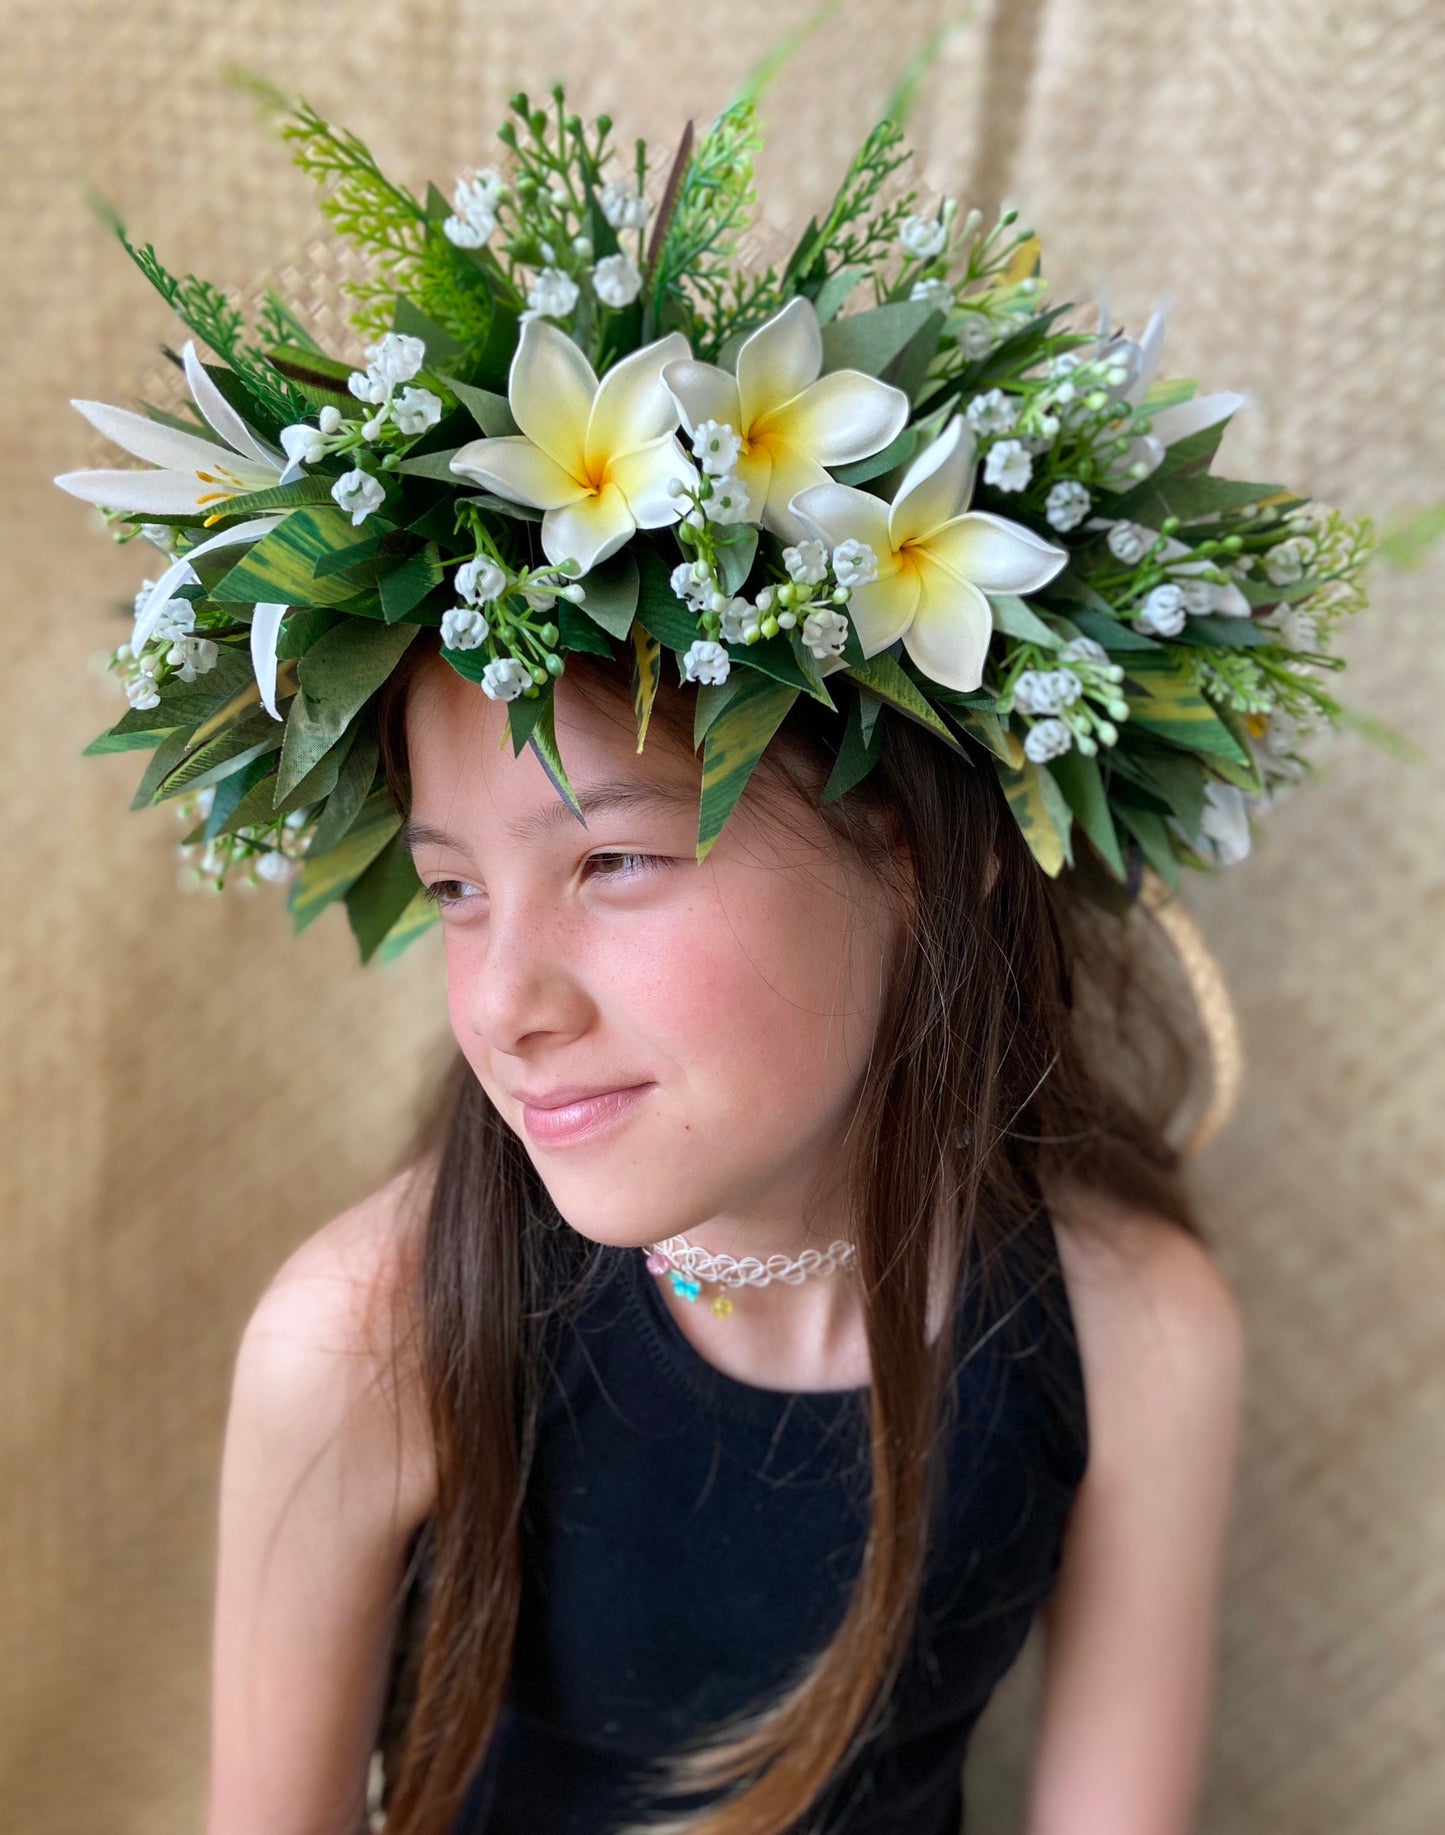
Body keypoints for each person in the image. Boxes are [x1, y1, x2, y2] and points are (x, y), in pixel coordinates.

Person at [205, 631, 1246, 1835]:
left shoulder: (1132, 1326)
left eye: (613, 860)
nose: (501, 1004)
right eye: (454, 887)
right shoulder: (364, 1332)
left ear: (927, 850)